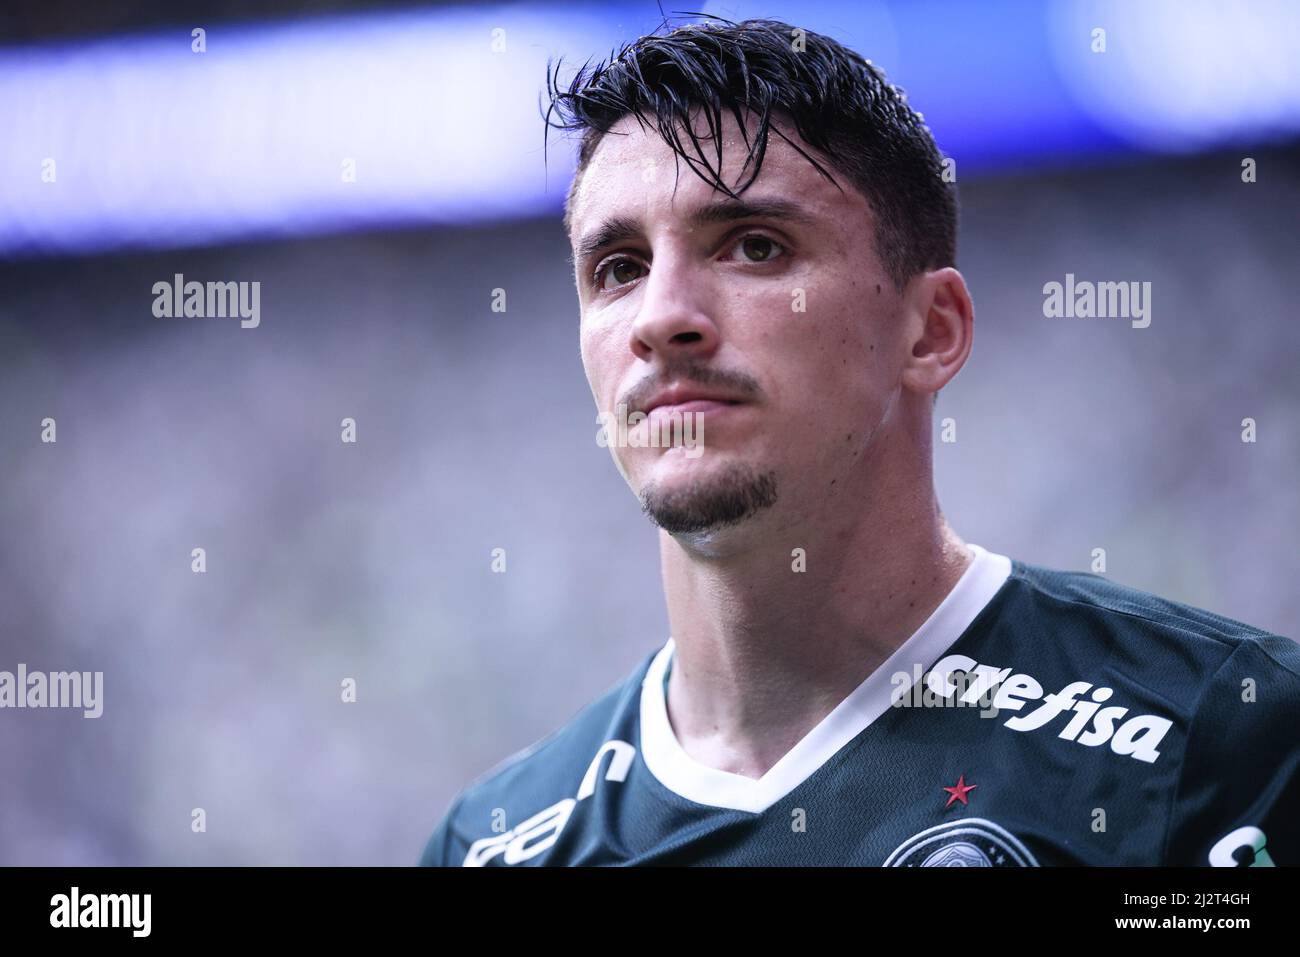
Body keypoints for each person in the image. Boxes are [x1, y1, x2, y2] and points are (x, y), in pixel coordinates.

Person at [420, 17, 1299, 867]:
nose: (660, 318)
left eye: (754, 247)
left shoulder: (1220, 741)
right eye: (618, 269)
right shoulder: (492, 840)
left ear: (930, 332)